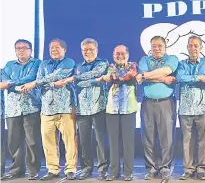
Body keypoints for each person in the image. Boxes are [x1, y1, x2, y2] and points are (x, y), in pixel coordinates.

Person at [22, 38, 77, 181]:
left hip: (65, 108)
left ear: (64, 49)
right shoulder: (43, 64)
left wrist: (36, 83)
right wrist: (51, 84)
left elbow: (58, 76)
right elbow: (43, 80)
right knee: (48, 142)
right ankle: (53, 169)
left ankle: (71, 169)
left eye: (57, 47)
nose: (53, 49)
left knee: (69, 140)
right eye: (51, 47)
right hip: (46, 108)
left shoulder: (69, 62)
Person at [63, 38, 109, 180]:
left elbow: (95, 74)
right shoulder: (77, 66)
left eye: (91, 49)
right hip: (82, 109)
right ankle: (86, 168)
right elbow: (74, 87)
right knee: (84, 140)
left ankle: (103, 169)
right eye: (85, 50)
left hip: (98, 107)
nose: (88, 52)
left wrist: (76, 79)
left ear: (97, 50)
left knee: (101, 140)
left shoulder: (103, 63)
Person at [136, 36, 178, 182]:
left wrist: (144, 76)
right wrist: (162, 78)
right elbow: (144, 77)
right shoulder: (144, 60)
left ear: (165, 47)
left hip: (166, 103)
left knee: (166, 138)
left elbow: (166, 70)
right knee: (148, 138)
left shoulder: (172, 59)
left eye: (160, 46)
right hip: (148, 103)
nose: (157, 48)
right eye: (154, 46)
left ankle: (166, 168)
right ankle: (151, 168)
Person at [0, 39, 42, 180]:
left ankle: (33, 170)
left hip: (31, 106)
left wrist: (11, 83)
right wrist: (16, 85)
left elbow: (31, 77)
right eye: (18, 48)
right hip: (13, 108)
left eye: (24, 48)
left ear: (30, 50)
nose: (21, 50)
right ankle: (16, 170)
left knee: (32, 141)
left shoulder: (37, 63)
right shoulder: (9, 65)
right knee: (13, 141)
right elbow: (4, 80)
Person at [101, 45, 138, 181]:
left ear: (128, 54)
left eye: (123, 53)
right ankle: (113, 172)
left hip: (129, 109)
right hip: (112, 109)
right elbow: (111, 76)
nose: (120, 56)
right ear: (113, 55)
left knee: (128, 142)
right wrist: (114, 77)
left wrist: (115, 77)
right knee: (113, 142)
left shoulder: (133, 65)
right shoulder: (110, 66)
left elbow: (127, 76)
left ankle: (128, 172)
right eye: (117, 53)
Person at [176, 36, 205, 180]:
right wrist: (198, 78)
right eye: (190, 45)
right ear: (187, 47)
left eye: (196, 46)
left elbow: (202, 75)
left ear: (201, 48)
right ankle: (188, 169)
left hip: (202, 108)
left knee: (203, 140)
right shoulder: (181, 63)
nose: (193, 48)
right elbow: (180, 77)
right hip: (185, 108)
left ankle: (201, 168)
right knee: (187, 140)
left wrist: (194, 77)